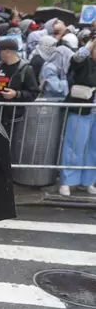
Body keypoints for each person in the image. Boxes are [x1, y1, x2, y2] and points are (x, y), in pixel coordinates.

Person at [58, 40, 96, 196]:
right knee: (73, 145)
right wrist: (91, 43)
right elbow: (77, 58)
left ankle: (88, 181)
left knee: (93, 149)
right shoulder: (84, 62)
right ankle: (67, 181)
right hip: (81, 110)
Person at [0, 39, 39, 130]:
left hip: (11, 119)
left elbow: (34, 93)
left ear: (7, 52)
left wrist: (16, 94)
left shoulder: (26, 69)